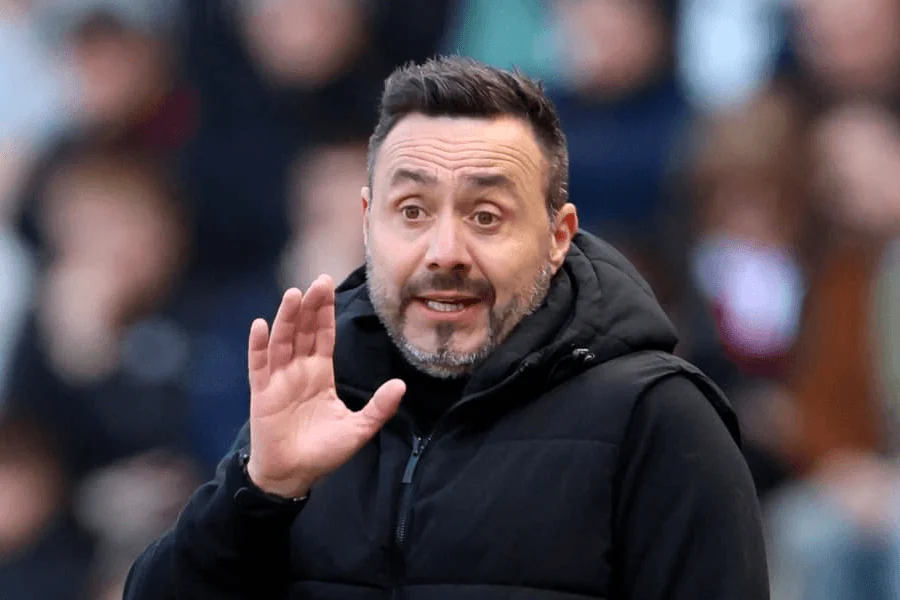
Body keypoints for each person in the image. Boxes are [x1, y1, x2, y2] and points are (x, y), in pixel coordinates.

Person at [123, 56, 769, 599]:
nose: (445, 251)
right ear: (369, 224)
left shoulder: (658, 420)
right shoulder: (317, 394)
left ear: (557, 237)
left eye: (487, 215)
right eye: (412, 210)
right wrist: (257, 493)